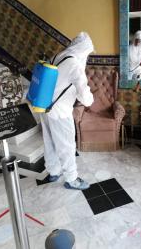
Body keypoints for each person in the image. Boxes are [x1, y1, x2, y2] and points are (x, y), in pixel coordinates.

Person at [40, 32, 94, 190]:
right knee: (67, 145)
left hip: (44, 107)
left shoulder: (58, 56)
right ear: (83, 50)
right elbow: (85, 96)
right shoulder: (75, 64)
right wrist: (90, 100)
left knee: (49, 140)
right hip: (60, 112)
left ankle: (53, 171)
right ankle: (71, 179)